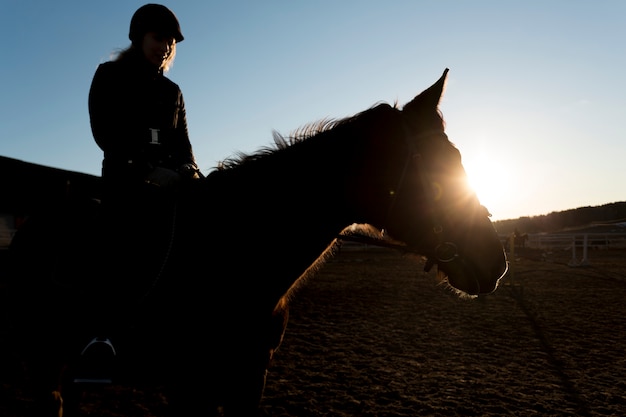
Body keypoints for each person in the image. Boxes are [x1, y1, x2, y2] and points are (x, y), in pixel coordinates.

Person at [89, 3, 200, 202]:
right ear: (140, 38)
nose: (166, 49)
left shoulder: (173, 91)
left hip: (171, 187)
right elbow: (105, 133)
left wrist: (188, 167)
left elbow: (183, 142)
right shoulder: (109, 75)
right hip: (123, 187)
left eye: (171, 42)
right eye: (158, 38)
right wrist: (147, 170)